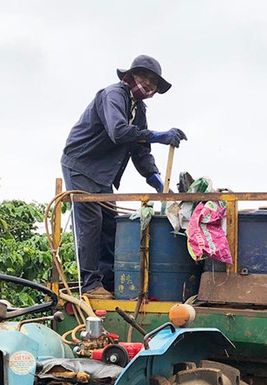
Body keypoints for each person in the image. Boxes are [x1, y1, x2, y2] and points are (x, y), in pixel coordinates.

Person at [61, 55, 187, 299]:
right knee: (91, 223)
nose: (149, 85)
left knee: (110, 225)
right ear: (131, 76)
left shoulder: (138, 109)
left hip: (103, 174)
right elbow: (119, 132)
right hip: (82, 165)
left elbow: (140, 150)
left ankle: (107, 283)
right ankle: (89, 284)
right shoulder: (113, 95)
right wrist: (160, 135)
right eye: (145, 78)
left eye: (154, 83)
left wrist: (159, 184)